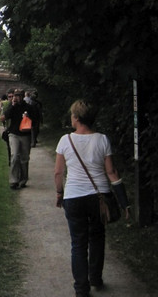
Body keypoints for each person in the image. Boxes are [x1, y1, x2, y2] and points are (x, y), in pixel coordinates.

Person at [54, 100, 130, 297]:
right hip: (99, 197)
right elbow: (112, 172)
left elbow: (58, 172)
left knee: (78, 243)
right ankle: (95, 278)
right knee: (97, 237)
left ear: (77, 118)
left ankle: (81, 288)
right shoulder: (102, 139)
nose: (71, 118)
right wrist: (123, 202)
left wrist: (59, 193)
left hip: (74, 196)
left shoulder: (65, 140)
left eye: (72, 115)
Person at [1, 88, 36, 189]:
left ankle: (23, 180)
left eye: (19, 95)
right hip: (14, 134)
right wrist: (12, 106)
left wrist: (28, 117)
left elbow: (34, 121)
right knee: (15, 156)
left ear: (23, 96)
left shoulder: (29, 107)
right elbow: (4, 117)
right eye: (16, 95)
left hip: (25, 134)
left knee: (24, 158)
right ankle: (13, 180)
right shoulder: (12, 107)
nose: (17, 97)